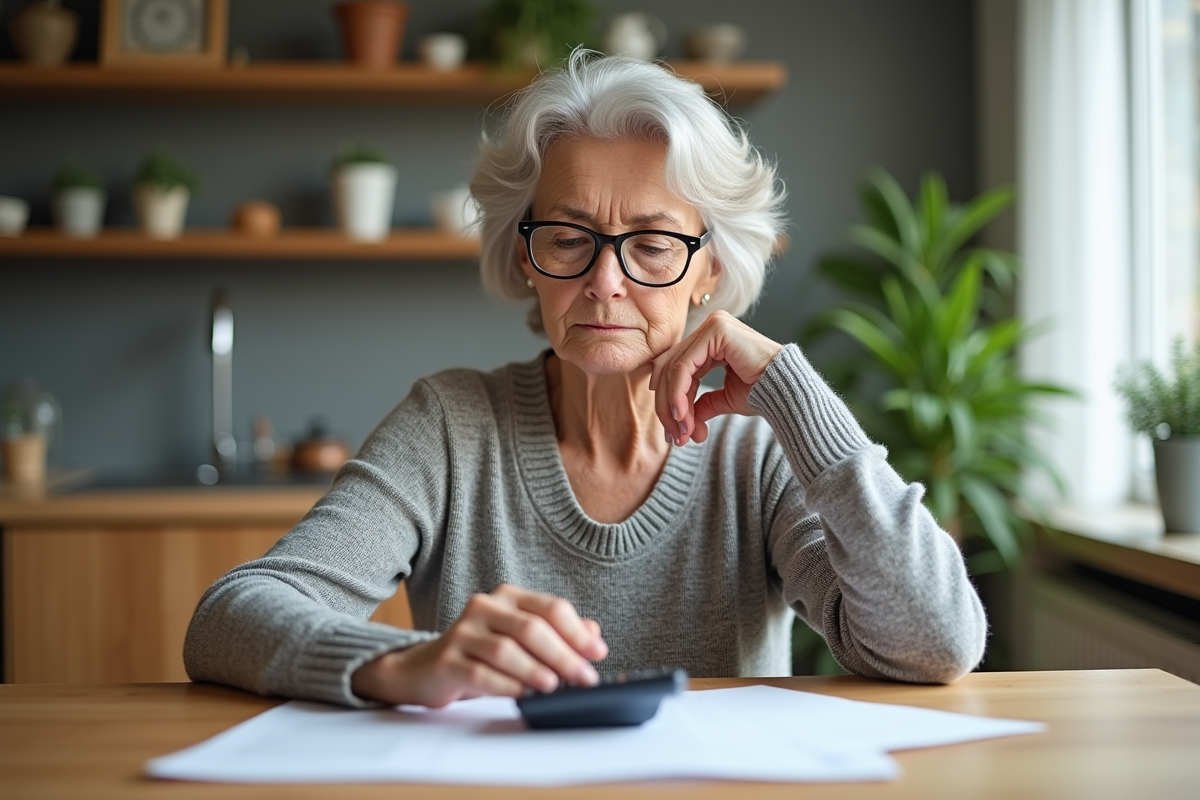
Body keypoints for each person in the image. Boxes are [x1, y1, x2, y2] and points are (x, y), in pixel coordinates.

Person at [184, 52, 987, 709]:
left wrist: (796, 397)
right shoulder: (451, 426)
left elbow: (936, 644)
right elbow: (229, 618)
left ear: (707, 269)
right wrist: (402, 664)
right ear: (524, 257)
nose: (604, 282)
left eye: (651, 243)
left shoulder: (759, 452)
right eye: (569, 237)